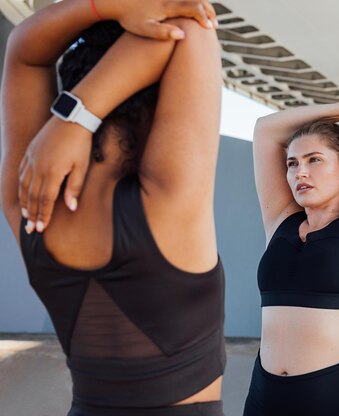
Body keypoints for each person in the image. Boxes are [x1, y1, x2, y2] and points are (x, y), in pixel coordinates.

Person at [0, 1, 225, 415]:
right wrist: (75, 117)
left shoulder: (27, 202)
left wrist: (69, 118)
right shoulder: (170, 197)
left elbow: (23, 50)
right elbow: (191, 24)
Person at [244, 93, 339, 415]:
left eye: (314, 160)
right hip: (265, 396)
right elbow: (265, 130)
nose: (300, 172)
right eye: (292, 163)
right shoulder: (281, 222)